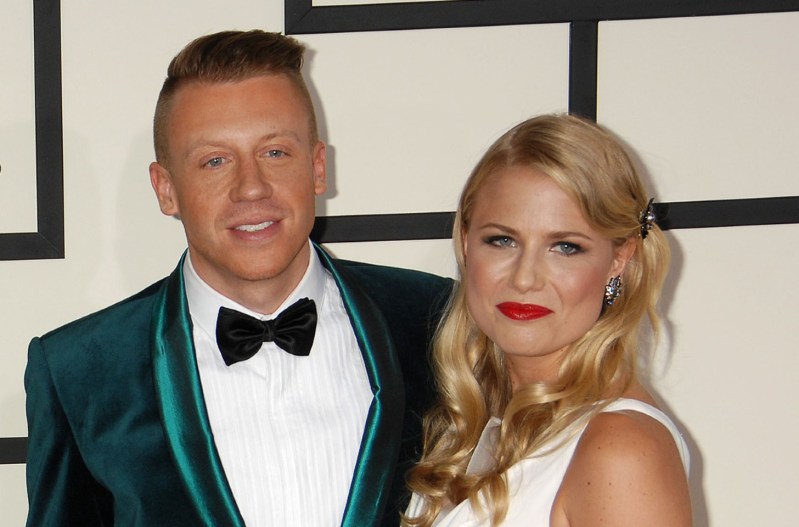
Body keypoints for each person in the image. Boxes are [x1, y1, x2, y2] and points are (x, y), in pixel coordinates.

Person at [25, 30, 451, 527]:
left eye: (275, 152)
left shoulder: (440, 322)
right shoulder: (79, 372)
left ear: (318, 168)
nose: (251, 188)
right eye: (215, 161)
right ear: (166, 189)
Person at [404, 114, 692, 526]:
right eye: (502, 240)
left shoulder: (621, 449)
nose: (525, 278)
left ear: (619, 258)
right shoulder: (472, 426)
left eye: (565, 247)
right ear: (466, 243)